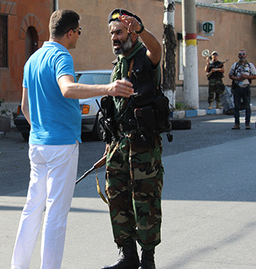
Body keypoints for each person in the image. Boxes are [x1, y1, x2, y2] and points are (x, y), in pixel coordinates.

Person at [11, 9, 134, 269]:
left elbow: (24, 107)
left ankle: (18, 266)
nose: (78, 36)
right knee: (56, 214)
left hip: (38, 144)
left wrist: (41, 129)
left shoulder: (32, 59)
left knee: (32, 209)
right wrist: (108, 88)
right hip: (61, 144)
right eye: (78, 32)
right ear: (70, 32)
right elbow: (67, 88)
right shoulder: (61, 55)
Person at [101, 9, 164, 269]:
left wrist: (141, 30)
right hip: (118, 143)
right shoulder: (118, 65)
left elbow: (157, 48)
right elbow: (114, 109)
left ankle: (148, 258)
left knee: (145, 200)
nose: (115, 37)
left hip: (142, 144)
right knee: (117, 197)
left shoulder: (144, 57)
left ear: (131, 32)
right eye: (112, 33)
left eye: (119, 32)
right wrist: (108, 145)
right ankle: (128, 255)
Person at [229, 49, 256, 129]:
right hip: (237, 88)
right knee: (236, 106)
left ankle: (247, 123)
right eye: (240, 54)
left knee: (247, 106)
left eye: (243, 54)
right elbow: (230, 75)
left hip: (246, 87)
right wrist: (237, 79)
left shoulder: (250, 65)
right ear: (238, 56)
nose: (242, 56)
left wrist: (246, 76)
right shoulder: (235, 65)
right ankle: (236, 123)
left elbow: (254, 76)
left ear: (246, 55)